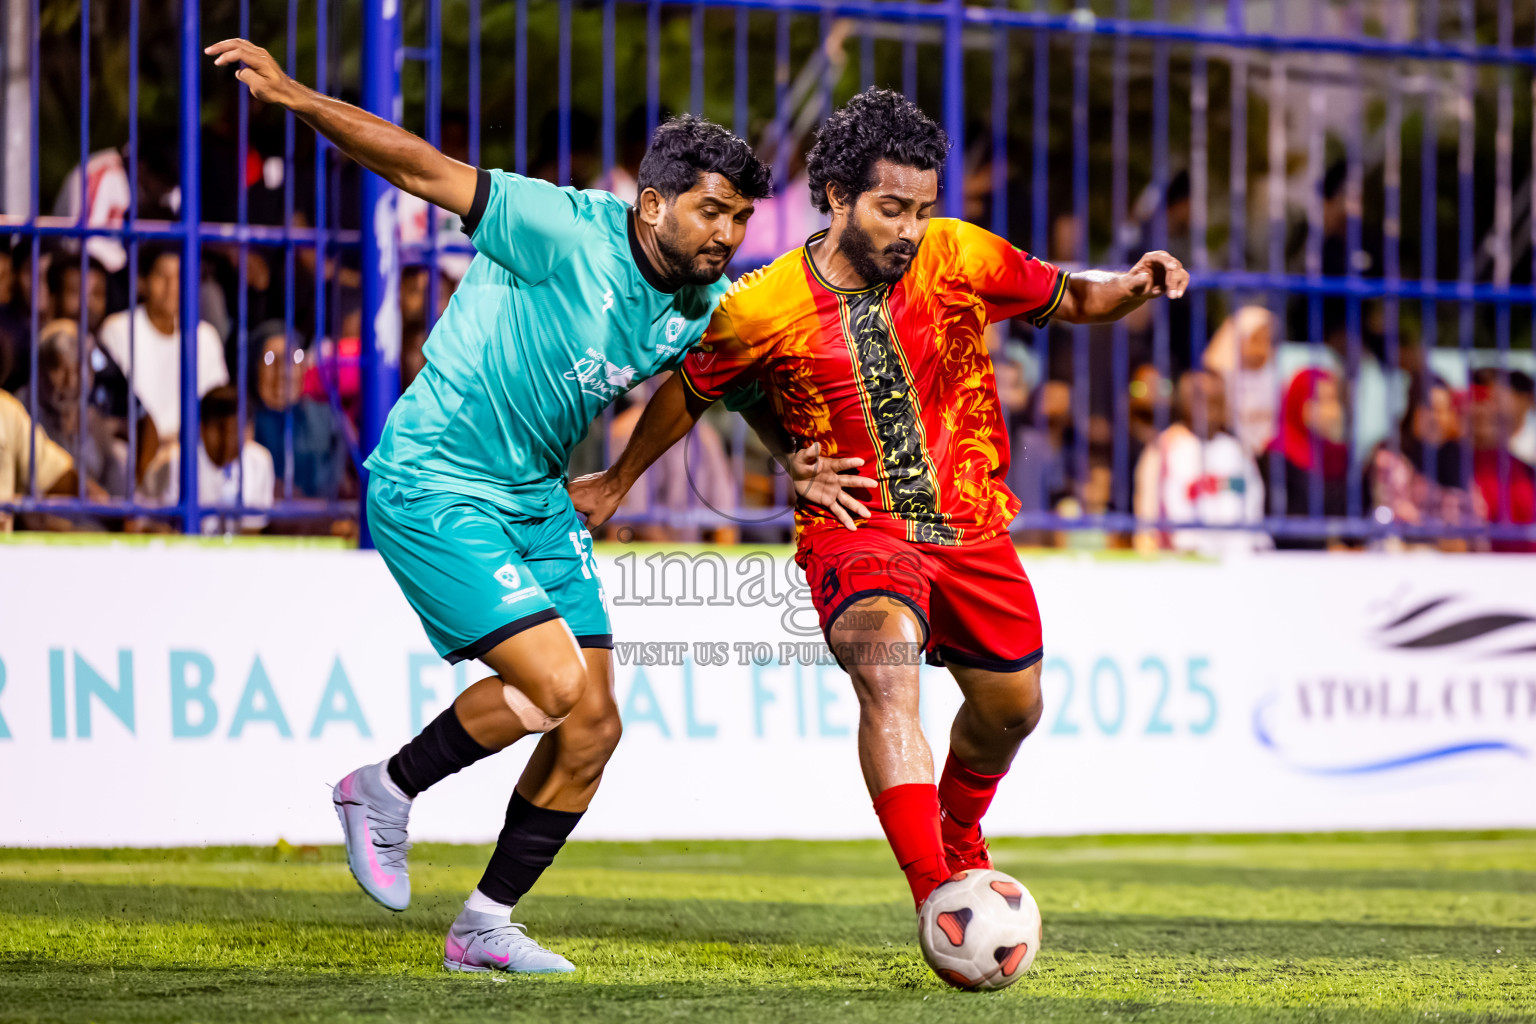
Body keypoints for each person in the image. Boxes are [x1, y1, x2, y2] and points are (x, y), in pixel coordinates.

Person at [210, 37, 829, 975]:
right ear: (652, 203)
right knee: (555, 687)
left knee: (595, 726)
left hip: (536, 496)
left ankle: (483, 923)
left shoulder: (700, 302)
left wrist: (768, 466)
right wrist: (298, 98)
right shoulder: (562, 227)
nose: (727, 234)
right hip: (435, 479)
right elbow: (420, 166)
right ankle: (381, 788)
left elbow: (718, 385)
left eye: (740, 218)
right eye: (711, 211)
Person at [571, 89, 1187, 928]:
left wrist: (1133, 286)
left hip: (971, 524)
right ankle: (939, 896)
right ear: (837, 199)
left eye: (922, 210)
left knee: (1014, 709)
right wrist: (617, 480)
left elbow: (1070, 298)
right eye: (891, 208)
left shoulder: (959, 254)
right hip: (855, 528)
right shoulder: (763, 304)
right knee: (887, 676)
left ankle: (957, 826)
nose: (909, 229)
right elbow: (692, 389)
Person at [96, 245, 230, 442]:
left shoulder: (205, 337)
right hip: (135, 449)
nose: (172, 286)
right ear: (143, 282)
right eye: (162, 276)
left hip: (192, 450)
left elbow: (216, 407)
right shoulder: (118, 330)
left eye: (179, 276)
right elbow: (112, 409)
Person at [1133, 368, 1267, 557]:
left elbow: (1254, 506)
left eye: (1215, 399)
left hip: (1237, 562)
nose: (1209, 407)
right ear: (1184, 401)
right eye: (1200, 398)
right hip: (1181, 562)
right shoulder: (1163, 448)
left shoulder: (1238, 450)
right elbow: (1147, 514)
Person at [142, 385, 276, 535]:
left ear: (249, 431)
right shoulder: (174, 462)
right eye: (219, 428)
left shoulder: (260, 462)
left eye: (237, 430)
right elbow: (152, 527)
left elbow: (251, 532)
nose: (228, 440)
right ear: (201, 428)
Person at [1259, 367, 1351, 548]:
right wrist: (1327, 546)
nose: (1332, 411)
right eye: (1321, 401)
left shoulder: (1337, 457)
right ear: (1298, 402)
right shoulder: (1277, 458)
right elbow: (1280, 527)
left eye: (1334, 400)